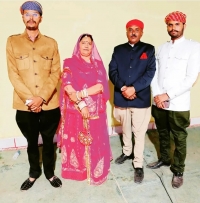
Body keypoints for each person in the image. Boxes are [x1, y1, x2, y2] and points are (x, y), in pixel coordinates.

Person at [6, 1, 62, 191]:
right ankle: (33, 173)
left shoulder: (51, 43)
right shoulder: (12, 41)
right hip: (24, 105)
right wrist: (31, 100)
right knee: (31, 142)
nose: (31, 18)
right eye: (27, 14)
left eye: (35, 14)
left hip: (49, 104)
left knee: (48, 142)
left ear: (40, 18)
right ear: (22, 16)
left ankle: (49, 173)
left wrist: (41, 98)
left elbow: (56, 73)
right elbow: (13, 73)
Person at [146, 11, 200, 189]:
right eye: (170, 24)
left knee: (179, 138)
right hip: (159, 102)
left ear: (184, 25)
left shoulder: (194, 47)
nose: (173, 28)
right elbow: (154, 74)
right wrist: (157, 95)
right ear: (167, 27)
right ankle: (164, 159)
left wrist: (167, 95)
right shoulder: (161, 48)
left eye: (177, 24)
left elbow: (191, 78)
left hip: (178, 104)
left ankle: (178, 170)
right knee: (162, 133)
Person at [57, 34, 112, 185]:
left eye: (89, 43)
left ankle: (95, 169)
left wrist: (81, 94)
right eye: (83, 43)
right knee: (78, 140)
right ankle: (79, 170)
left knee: (95, 140)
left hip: (96, 112)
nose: (86, 46)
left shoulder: (98, 64)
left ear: (93, 46)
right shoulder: (69, 63)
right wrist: (81, 104)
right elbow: (68, 86)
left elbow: (100, 86)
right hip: (76, 110)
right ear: (78, 45)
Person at [109, 19, 156, 183]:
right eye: (130, 29)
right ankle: (127, 152)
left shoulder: (148, 49)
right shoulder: (118, 50)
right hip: (122, 97)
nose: (133, 32)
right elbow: (112, 71)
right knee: (125, 129)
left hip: (140, 98)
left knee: (139, 133)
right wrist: (123, 88)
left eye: (137, 29)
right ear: (126, 31)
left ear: (141, 32)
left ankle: (138, 165)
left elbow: (150, 73)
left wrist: (133, 88)